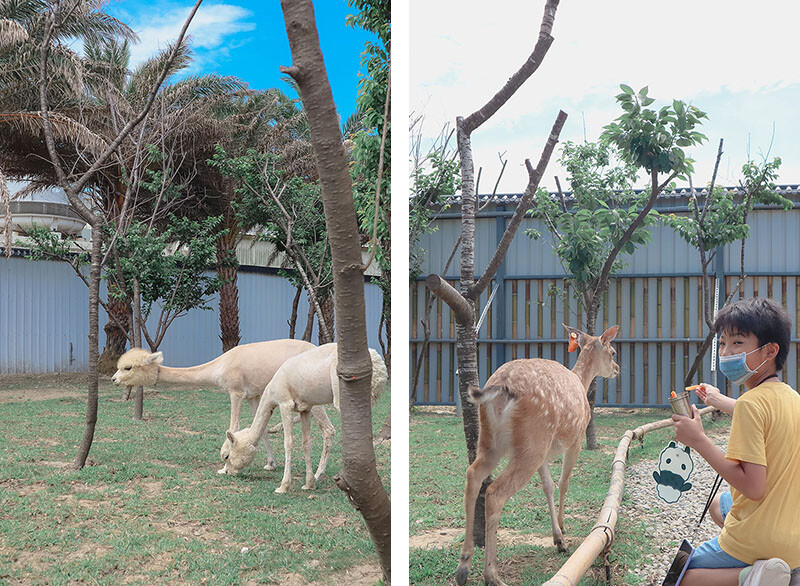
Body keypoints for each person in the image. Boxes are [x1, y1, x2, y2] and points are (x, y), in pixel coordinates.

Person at [672, 297, 800, 586]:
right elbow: (761, 413)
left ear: (770, 350)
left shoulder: (750, 405)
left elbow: (753, 487)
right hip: (795, 537)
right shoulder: (792, 398)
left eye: (738, 343)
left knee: (681, 576)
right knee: (720, 505)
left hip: (762, 539)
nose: (727, 352)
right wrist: (719, 401)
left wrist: (699, 440)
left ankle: (753, 575)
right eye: (723, 343)